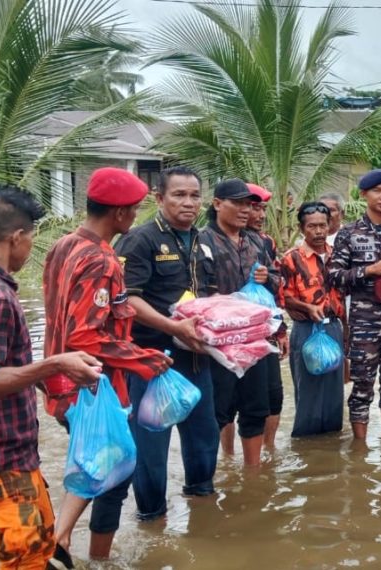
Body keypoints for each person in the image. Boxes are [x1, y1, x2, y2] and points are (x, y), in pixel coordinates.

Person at [0, 186, 101, 570]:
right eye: (30, 238)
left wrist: (38, 377)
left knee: (41, 546)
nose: (30, 247)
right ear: (17, 238)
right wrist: (53, 365)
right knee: (25, 559)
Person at [42, 168, 173, 561]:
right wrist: (143, 358)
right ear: (118, 214)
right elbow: (86, 337)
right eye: (133, 210)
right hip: (89, 386)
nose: (134, 217)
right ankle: (85, 554)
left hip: (59, 382)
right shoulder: (102, 260)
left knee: (96, 462)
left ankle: (61, 540)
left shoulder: (62, 245)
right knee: (114, 475)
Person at [115, 165, 220, 523]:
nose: (188, 203)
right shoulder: (140, 240)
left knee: (205, 440)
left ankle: (203, 512)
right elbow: (127, 300)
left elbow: (211, 296)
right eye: (178, 195)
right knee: (151, 449)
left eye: (194, 195)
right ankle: (151, 519)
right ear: (159, 198)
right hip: (152, 363)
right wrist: (172, 325)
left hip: (197, 360)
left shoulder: (205, 240)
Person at [198, 178, 278, 466]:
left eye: (249, 204)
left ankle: (253, 473)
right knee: (219, 408)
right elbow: (195, 293)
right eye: (239, 203)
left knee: (256, 407)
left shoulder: (256, 241)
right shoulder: (201, 241)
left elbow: (277, 279)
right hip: (220, 341)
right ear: (218, 204)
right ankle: (221, 467)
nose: (246, 210)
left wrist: (268, 279)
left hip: (254, 340)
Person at [329, 169, 381, 440]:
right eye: (378, 191)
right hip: (364, 321)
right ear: (364, 194)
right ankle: (360, 449)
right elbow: (333, 277)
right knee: (363, 383)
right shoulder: (349, 233)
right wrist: (369, 271)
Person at [280, 201, 346, 437]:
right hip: (306, 329)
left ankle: (330, 448)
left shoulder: (337, 256)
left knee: (334, 392)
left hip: (333, 328)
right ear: (301, 229)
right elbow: (283, 297)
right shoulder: (291, 259)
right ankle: (306, 448)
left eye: (322, 225)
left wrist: (346, 333)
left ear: (330, 226)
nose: (318, 231)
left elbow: (343, 297)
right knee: (308, 390)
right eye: (312, 227)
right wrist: (307, 307)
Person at [242, 183, 289, 450]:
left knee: (273, 397)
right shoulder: (214, 240)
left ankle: (268, 452)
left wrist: (281, 331)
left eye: (262, 209)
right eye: (254, 208)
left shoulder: (267, 242)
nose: (259, 215)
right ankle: (227, 456)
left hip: (266, 328)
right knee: (230, 404)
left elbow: (275, 289)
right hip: (235, 332)